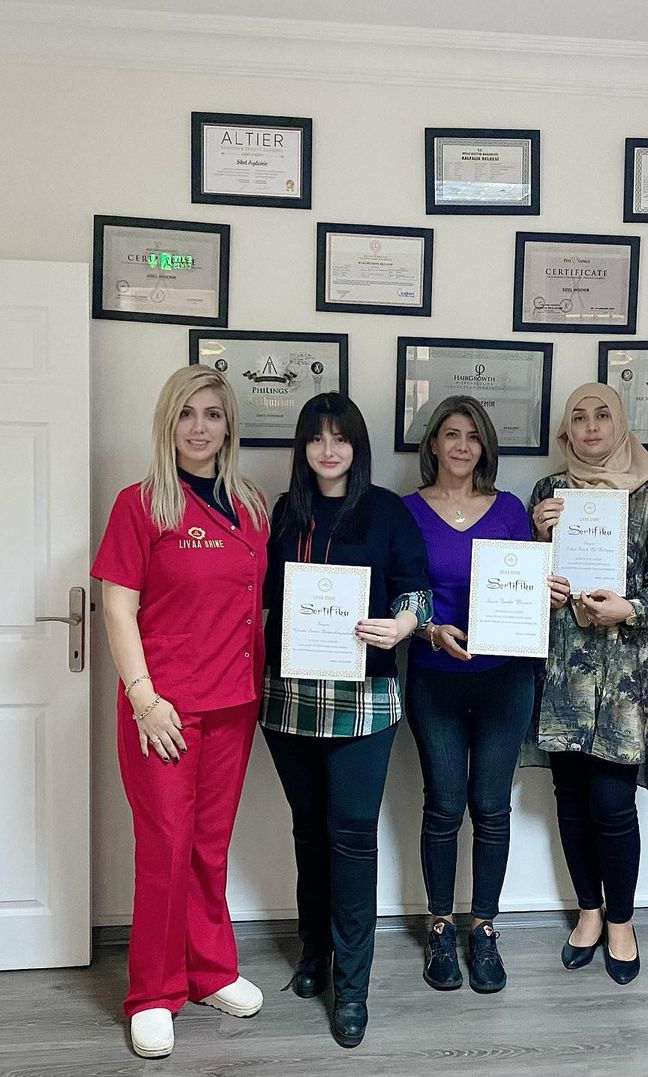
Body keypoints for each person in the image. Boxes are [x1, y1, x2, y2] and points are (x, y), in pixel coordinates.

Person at [92, 366, 269, 1060]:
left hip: (233, 704)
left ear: (229, 426)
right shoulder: (140, 505)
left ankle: (210, 970)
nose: (199, 426)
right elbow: (116, 607)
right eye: (187, 413)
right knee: (165, 846)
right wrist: (143, 697)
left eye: (213, 414)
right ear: (168, 422)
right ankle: (153, 993)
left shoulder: (251, 506)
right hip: (162, 708)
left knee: (209, 844)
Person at [260, 392, 431, 1049]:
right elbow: (261, 596)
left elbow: (417, 591)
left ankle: (352, 985)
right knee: (309, 832)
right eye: (316, 438)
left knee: (353, 835)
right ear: (302, 447)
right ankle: (314, 951)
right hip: (289, 698)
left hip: (365, 700)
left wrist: (403, 625)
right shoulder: (285, 512)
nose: (328, 449)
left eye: (340, 437)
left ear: (358, 445)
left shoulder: (386, 510)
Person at [527, 382, 648, 986]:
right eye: (579, 418)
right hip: (563, 672)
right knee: (570, 800)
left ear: (620, 425)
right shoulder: (549, 492)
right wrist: (539, 544)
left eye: (602, 416)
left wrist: (631, 609)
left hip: (624, 677)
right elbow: (524, 582)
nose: (591, 427)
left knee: (612, 807)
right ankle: (588, 912)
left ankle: (621, 920)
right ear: (566, 432)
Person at [402, 395, 535, 994]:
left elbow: (526, 586)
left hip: (506, 679)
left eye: (473, 436)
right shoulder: (406, 511)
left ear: (486, 447)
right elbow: (399, 592)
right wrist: (430, 629)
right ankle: (439, 925)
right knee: (444, 804)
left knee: (491, 806)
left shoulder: (509, 510)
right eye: (451, 434)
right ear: (433, 443)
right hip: (435, 677)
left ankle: (482, 927)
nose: (462, 446)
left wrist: (545, 593)